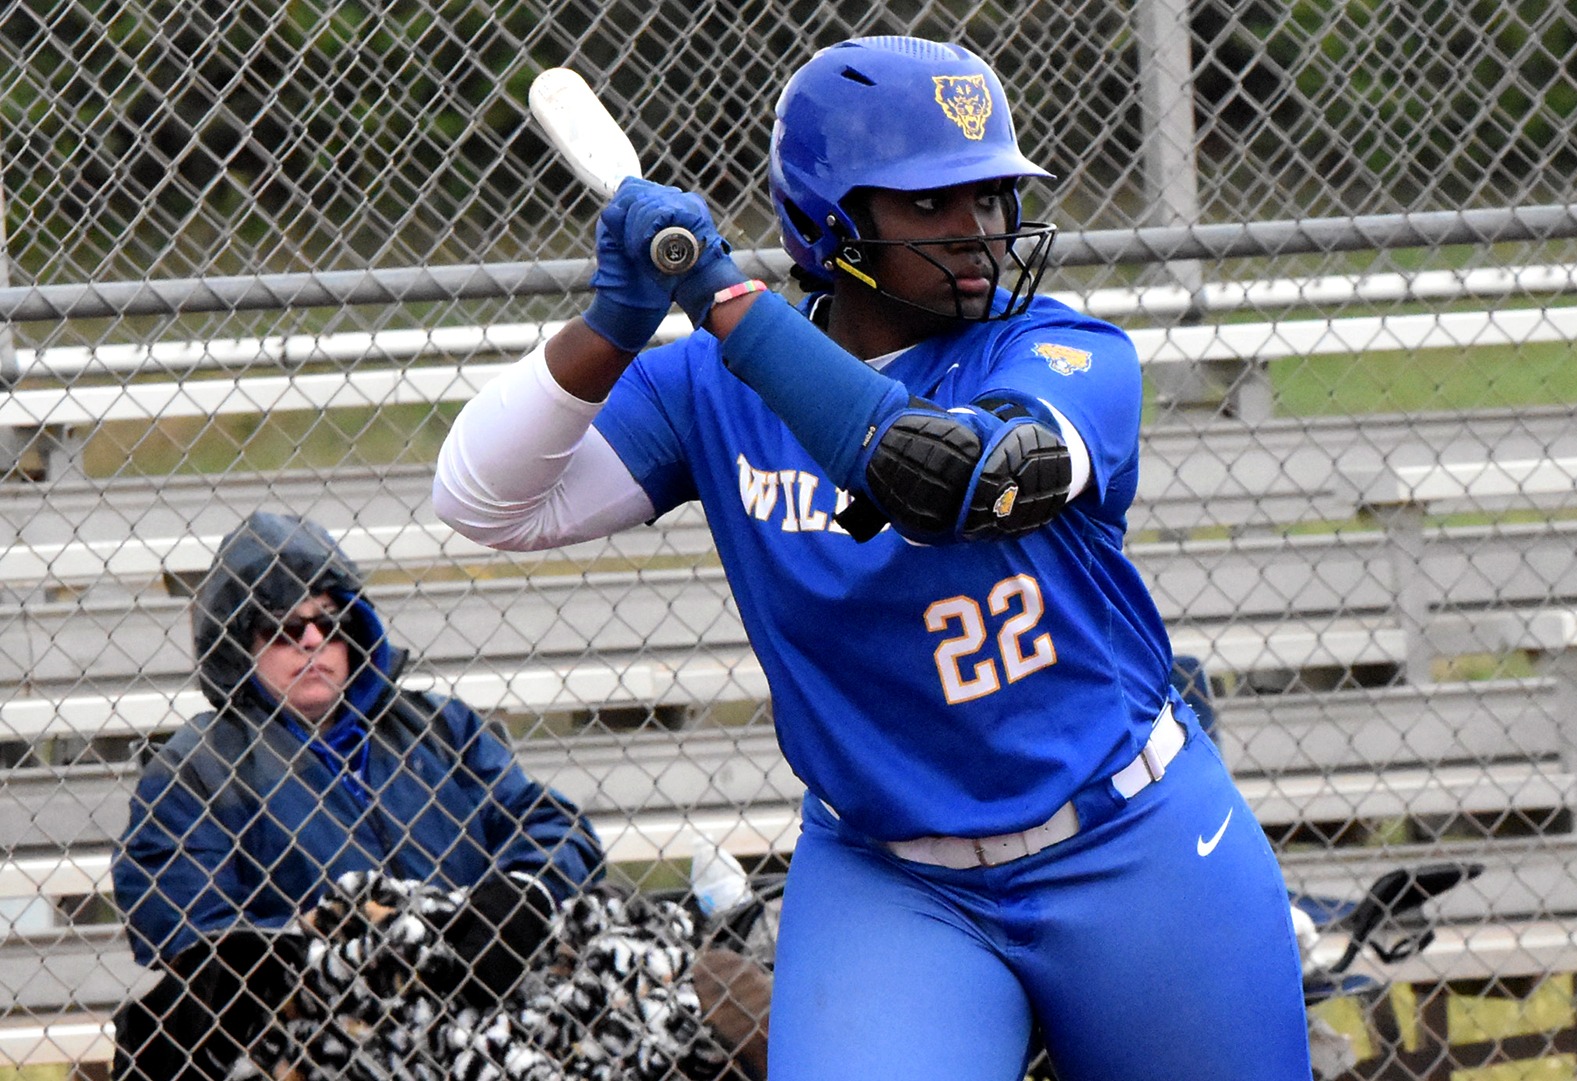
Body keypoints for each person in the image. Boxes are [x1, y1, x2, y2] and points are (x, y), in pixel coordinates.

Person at [433, 35, 1311, 1081]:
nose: (978, 229)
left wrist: (727, 304)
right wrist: (612, 325)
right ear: (830, 221)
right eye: (931, 205)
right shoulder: (710, 390)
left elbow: (946, 479)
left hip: (1135, 847)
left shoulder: (1063, 350)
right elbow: (484, 500)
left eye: (988, 197)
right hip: (894, 884)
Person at [109, 511, 769, 1080]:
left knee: (640, 968)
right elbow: (184, 925)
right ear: (236, 646)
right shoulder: (193, 767)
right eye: (281, 627)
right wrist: (359, 947)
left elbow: (552, 824)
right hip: (334, 1024)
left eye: (327, 621)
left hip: (490, 988)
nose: (311, 640)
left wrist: (523, 893)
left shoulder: (437, 726)